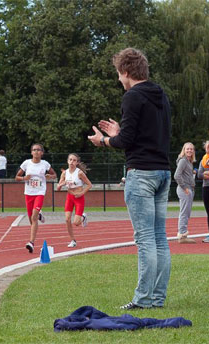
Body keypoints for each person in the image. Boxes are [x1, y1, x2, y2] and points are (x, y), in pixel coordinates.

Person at [88, 48, 172, 310]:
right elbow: (143, 134)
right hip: (162, 172)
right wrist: (119, 132)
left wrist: (103, 140)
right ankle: (156, 297)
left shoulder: (132, 97)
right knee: (159, 237)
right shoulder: (161, 95)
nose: (118, 80)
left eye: (118, 74)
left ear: (125, 71)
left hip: (141, 174)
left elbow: (126, 142)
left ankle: (143, 299)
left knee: (145, 238)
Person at [15, 143, 57, 253]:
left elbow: (54, 175)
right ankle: (39, 215)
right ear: (31, 152)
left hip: (40, 192)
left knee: (33, 217)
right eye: (34, 150)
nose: (36, 152)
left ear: (42, 153)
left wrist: (50, 176)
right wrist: (24, 177)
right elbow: (17, 177)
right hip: (28, 193)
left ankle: (31, 242)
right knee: (31, 220)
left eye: (38, 150)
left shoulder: (45, 164)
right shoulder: (26, 163)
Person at [56, 153, 92, 248]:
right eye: (70, 160)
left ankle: (83, 217)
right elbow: (58, 187)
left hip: (79, 198)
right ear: (68, 161)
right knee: (67, 219)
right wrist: (60, 185)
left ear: (77, 162)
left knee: (76, 223)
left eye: (74, 160)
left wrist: (82, 193)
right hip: (70, 197)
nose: (72, 162)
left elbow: (89, 185)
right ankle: (73, 240)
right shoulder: (64, 173)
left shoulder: (79, 173)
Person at [174, 142, 197, 244]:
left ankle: (183, 234)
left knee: (186, 212)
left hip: (189, 188)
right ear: (184, 149)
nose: (189, 151)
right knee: (184, 212)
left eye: (191, 149)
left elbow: (184, 174)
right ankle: (182, 235)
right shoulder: (183, 161)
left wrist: (192, 173)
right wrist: (185, 188)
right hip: (185, 189)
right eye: (187, 149)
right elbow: (177, 175)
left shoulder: (189, 161)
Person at [198, 141, 209, 243]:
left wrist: (208, 173)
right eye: (207, 147)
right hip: (206, 187)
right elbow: (200, 174)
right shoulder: (203, 160)